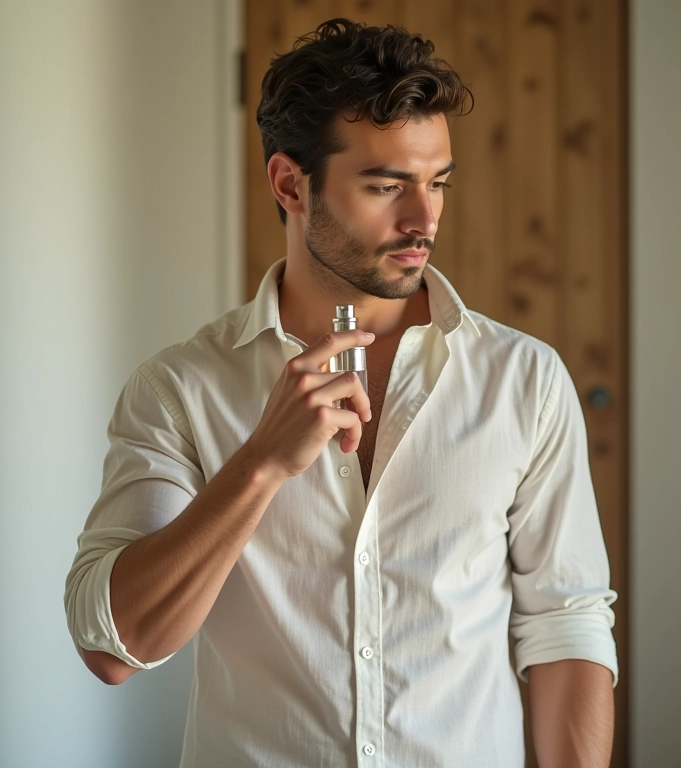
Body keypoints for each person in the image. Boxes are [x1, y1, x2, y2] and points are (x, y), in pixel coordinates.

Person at [65, 18, 618, 768]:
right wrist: (259, 465)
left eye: (437, 184)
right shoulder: (180, 389)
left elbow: (566, 623)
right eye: (387, 186)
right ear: (291, 183)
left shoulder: (524, 379)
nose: (424, 220)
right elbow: (113, 646)